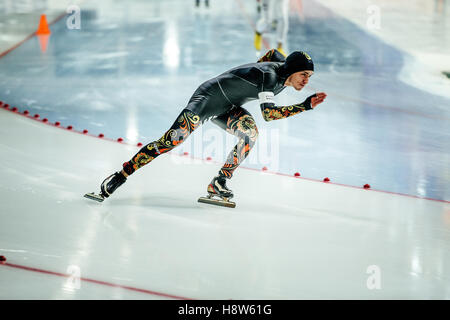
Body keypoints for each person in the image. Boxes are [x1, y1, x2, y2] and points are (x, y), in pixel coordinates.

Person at [85, 49, 327, 204]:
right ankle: (119, 176)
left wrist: (249, 72)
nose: (306, 80)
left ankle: (219, 182)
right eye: (303, 75)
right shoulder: (271, 78)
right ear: (292, 71)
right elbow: (270, 115)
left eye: (309, 76)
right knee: (169, 142)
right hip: (207, 99)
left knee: (250, 135)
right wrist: (304, 106)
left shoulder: (282, 69)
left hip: (229, 105)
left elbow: (273, 53)